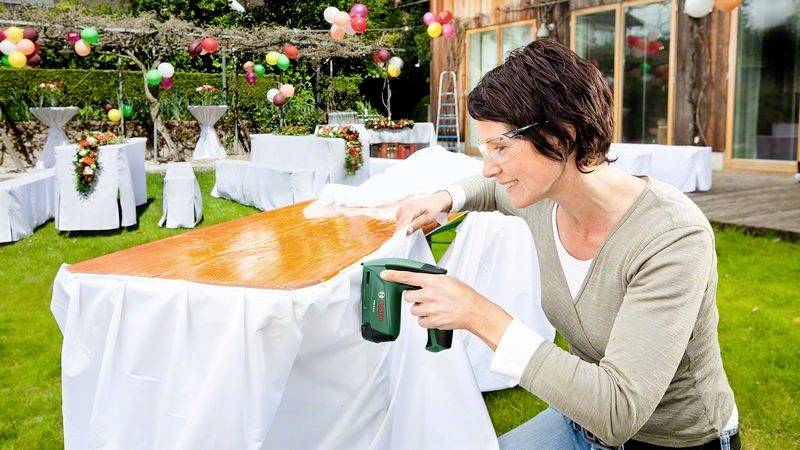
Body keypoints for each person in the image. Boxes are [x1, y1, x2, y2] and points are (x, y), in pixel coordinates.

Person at [380, 39, 739, 449]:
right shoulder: (540, 197)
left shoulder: (671, 238)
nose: (489, 166)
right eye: (485, 148)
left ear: (562, 134)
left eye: (501, 147)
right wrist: (445, 199)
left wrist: (479, 315)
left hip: (673, 440)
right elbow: (487, 187)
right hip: (578, 421)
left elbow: (617, 410)